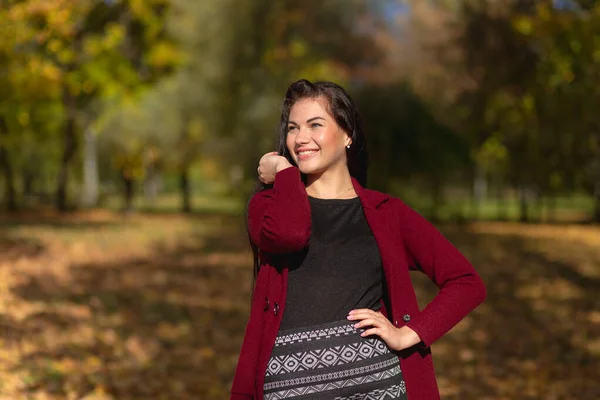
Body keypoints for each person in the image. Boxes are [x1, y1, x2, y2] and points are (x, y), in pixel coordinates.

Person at [230, 79, 486, 400]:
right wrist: (285, 173)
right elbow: (290, 235)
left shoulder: (386, 213)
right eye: (293, 128)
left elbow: (466, 282)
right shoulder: (266, 206)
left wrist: (410, 334)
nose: (301, 138)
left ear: (347, 134)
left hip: (378, 386)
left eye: (315, 125)